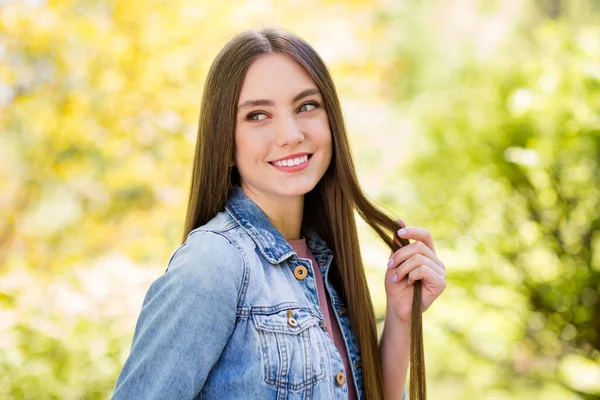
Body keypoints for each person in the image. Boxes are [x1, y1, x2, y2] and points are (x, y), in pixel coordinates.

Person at [111, 27, 447, 400]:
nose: (290, 134)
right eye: (257, 115)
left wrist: (401, 317)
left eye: (306, 106)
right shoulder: (214, 264)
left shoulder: (326, 262)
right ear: (224, 140)